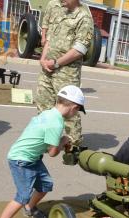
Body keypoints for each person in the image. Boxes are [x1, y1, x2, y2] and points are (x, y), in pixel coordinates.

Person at [0, 86, 87, 218]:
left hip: (32, 158)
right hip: (21, 160)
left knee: (45, 185)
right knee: (22, 195)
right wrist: (64, 140)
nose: (76, 114)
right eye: (77, 111)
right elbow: (52, 153)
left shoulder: (49, 113)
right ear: (74, 107)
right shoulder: (56, 124)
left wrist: (59, 140)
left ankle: (29, 208)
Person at [36, 0, 93, 147]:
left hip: (66, 72)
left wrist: (56, 63)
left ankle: (73, 145)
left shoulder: (84, 17)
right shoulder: (60, 11)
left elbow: (79, 50)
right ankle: (47, 139)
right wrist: (43, 58)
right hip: (47, 67)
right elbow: (49, 39)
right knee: (43, 103)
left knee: (68, 109)